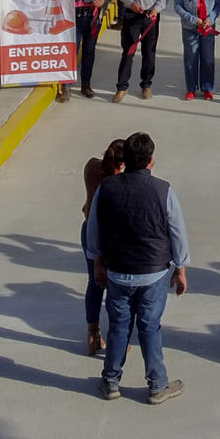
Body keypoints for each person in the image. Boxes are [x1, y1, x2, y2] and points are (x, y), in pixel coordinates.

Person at [84, 131, 189, 403]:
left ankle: (110, 382)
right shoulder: (164, 190)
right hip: (153, 273)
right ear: (151, 161)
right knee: (149, 327)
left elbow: (93, 229)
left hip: (117, 270)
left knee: (119, 326)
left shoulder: (106, 188)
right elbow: (177, 232)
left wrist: (97, 261)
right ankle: (157, 386)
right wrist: (180, 268)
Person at [80, 138, 127, 354]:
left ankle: (92, 333)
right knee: (118, 288)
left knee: (94, 282)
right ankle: (119, 336)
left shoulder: (91, 168)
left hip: (89, 232)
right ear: (122, 164)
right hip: (113, 238)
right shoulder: (121, 184)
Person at [113, 0, 170, 103]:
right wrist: (131, 3)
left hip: (151, 17)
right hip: (133, 15)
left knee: (149, 52)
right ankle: (122, 87)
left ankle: (146, 85)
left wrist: (157, 9)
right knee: (128, 52)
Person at [70, 0, 119, 101]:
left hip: (93, 18)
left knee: (89, 52)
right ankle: (66, 85)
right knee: (72, 50)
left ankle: (86, 84)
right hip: (73, 17)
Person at [173, 0, 220, 100]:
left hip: (208, 27)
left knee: (208, 58)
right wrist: (194, 20)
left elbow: (218, 4)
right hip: (190, 28)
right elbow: (177, 6)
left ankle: (207, 87)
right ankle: (191, 88)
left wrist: (211, 18)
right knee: (191, 58)